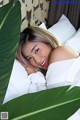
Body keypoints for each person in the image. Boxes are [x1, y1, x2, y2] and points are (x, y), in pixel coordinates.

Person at [16, 26, 80, 120]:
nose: (37, 60)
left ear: (47, 41)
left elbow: (51, 103)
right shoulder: (49, 74)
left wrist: (33, 74)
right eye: (29, 58)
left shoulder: (59, 52)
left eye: (37, 50)